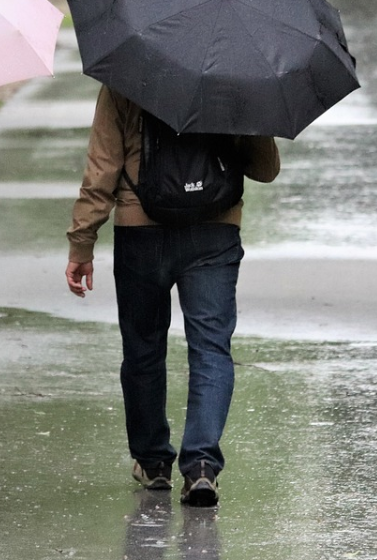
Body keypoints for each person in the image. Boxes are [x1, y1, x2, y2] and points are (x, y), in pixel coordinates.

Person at [65, 85, 280, 507]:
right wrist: (251, 112)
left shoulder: (125, 77)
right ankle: (201, 466)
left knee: (143, 348)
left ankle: (153, 462)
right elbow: (265, 168)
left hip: (140, 230)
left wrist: (82, 241)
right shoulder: (236, 76)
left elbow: (102, 166)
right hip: (215, 228)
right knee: (211, 348)